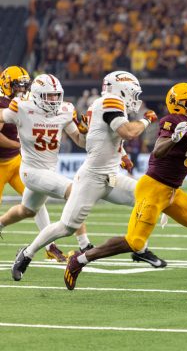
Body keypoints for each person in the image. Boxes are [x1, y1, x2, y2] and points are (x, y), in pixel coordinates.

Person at [63, 82, 187, 302]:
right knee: (134, 242)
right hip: (153, 188)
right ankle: (80, 259)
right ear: (178, 105)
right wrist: (174, 138)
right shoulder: (173, 121)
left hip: (172, 191)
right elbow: (159, 151)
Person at [12, 71, 163, 280]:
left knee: (146, 199)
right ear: (122, 91)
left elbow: (96, 139)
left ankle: (139, 248)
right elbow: (128, 132)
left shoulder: (104, 105)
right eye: (133, 93)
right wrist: (147, 121)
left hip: (110, 176)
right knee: (66, 227)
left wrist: (123, 155)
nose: (136, 99)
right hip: (91, 178)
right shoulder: (111, 102)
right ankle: (27, 253)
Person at [0, 74, 88, 261]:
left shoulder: (64, 111)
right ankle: (85, 246)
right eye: (49, 96)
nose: (54, 100)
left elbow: (80, 142)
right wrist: (9, 109)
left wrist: (84, 130)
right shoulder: (22, 108)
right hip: (30, 171)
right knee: (75, 191)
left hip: (47, 171)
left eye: (57, 95)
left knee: (28, 210)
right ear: (38, 95)